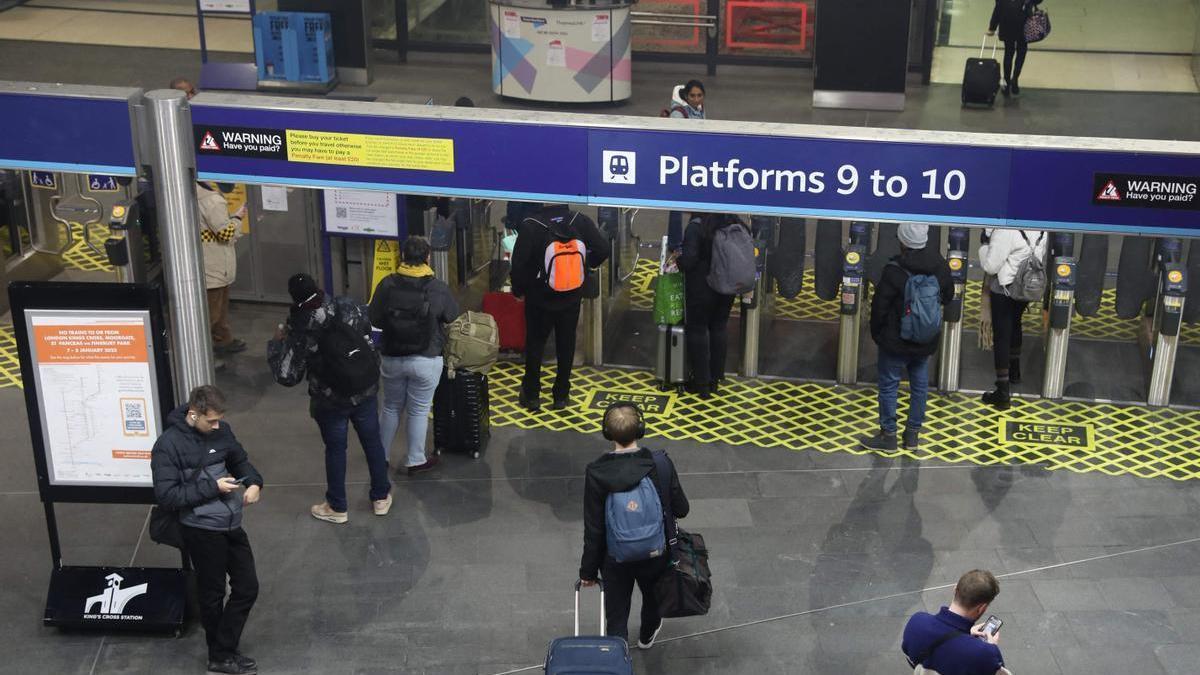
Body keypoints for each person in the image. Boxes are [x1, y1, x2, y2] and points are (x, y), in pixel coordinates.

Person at [151, 385, 263, 675]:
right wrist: (212, 487)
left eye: (218, 420)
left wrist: (254, 483)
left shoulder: (222, 431)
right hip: (200, 528)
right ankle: (220, 655)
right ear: (193, 414)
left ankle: (222, 649)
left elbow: (240, 460)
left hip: (230, 522)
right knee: (212, 593)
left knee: (247, 586)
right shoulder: (168, 445)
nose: (216, 426)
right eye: (210, 421)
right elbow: (167, 495)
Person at [268, 273, 392, 523]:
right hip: (364, 389)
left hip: (331, 400)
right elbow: (368, 333)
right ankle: (380, 497)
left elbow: (287, 376)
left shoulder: (301, 327)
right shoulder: (347, 305)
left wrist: (276, 343)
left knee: (336, 449)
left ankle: (337, 506)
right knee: (373, 443)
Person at [579, 403, 690, 647]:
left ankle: (618, 656)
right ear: (641, 429)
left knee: (616, 612)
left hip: (614, 557)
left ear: (607, 433)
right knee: (653, 598)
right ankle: (647, 635)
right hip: (656, 552)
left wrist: (587, 571)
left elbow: (594, 527)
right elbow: (682, 508)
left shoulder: (596, 471)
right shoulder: (659, 464)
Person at [369, 236, 460, 474]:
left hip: (392, 356)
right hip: (427, 358)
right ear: (428, 257)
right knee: (419, 410)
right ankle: (415, 459)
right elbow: (452, 316)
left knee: (390, 407)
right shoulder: (437, 287)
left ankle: (381, 457)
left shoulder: (387, 284)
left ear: (402, 256)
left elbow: (374, 318)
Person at [861, 223, 953, 452]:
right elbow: (948, 295)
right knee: (920, 387)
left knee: (889, 385)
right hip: (925, 340)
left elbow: (879, 306)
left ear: (902, 241)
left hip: (895, 340)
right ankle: (912, 436)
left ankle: (888, 436)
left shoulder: (894, 270)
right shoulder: (939, 266)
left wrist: (878, 334)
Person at [511, 204, 611, 411]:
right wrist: (585, 266)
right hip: (571, 296)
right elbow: (603, 249)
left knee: (536, 344)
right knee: (566, 344)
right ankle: (561, 395)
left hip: (539, 297)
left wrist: (519, 291)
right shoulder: (579, 220)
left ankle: (531, 395)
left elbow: (519, 266)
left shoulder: (531, 226)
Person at [978, 227, 1047, 410]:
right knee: (1016, 323)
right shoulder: (1041, 230)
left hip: (1005, 289)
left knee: (1002, 335)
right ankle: (1015, 371)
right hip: (1027, 288)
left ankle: (1002, 392)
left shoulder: (1005, 231)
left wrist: (985, 245)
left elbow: (990, 266)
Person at [677, 213, 740, 398]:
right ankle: (715, 380)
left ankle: (701, 383)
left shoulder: (696, 227)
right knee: (719, 327)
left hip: (701, 288)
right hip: (726, 287)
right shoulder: (732, 222)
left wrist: (678, 260)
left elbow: (689, 260)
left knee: (698, 330)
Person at [902, 570, 1007, 675]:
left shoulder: (917, 621)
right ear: (982, 608)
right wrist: (991, 649)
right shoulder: (984, 653)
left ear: (955, 589)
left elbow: (912, 660)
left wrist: (967, 634)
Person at [196, 181, 246, 359]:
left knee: (219, 308)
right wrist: (238, 218)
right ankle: (205, 357)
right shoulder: (212, 200)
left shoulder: (195, 192)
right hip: (214, 265)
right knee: (212, 312)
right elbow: (226, 234)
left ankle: (223, 340)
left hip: (212, 265)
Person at [665, 80, 706, 253]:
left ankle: (693, 239)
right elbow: (676, 140)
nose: (696, 99)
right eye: (692, 96)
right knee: (677, 206)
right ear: (686, 96)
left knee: (697, 203)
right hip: (680, 164)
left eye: (699, 95)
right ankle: (675, 245)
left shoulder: (700, 110)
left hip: (696, 164)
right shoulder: (678, 114)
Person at [987, 0, 1042, 97]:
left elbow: (997, 9)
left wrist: (992, 27)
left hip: (1007, 22)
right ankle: (1015, 78)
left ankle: (1007, 84)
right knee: (1021, 52)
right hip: (1024, 24)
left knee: (1008, 53)